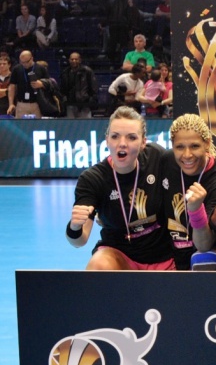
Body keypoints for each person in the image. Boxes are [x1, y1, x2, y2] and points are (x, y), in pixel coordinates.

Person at [67, 107, 175, 270]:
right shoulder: (93, 179)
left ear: (143, 142)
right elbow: (79, 241)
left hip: (164, 256)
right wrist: (74, 227)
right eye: (115, 136)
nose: (122, 143)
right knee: (98, 265)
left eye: (131, 137)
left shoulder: (157, 158)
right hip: (120, 256)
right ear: (107, 140)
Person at [157, 114, 216, 270]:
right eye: (180, 147)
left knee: (203, 259)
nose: (187, 155)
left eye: (194, 146)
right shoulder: (166, 161)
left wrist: (195, 210)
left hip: (215, 252)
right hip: (175, 253)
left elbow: (204, 244)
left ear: (207, 144)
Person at [7, 49, 51, 118]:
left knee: (37, 124)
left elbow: (50, 83)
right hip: (21, 103)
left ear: (32, 58)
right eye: (22, 62)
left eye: (26, 62)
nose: (24, 64)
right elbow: (12, 86)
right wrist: (11, 104)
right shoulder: (17, 69)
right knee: (20, 123)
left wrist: (41, 84)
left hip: (37, 103)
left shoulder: (40, 68)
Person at [62, 52, 98, 119]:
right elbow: (63, 88)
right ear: (69, 60)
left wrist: (90, 100)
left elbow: (94, 87)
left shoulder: (87, 71)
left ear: (80, 60)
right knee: (70, 124)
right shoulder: (65, 72)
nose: (74, 61)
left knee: (85, 124)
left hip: (84, 104)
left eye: (76, 59)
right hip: (70, 104)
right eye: (72, 59)